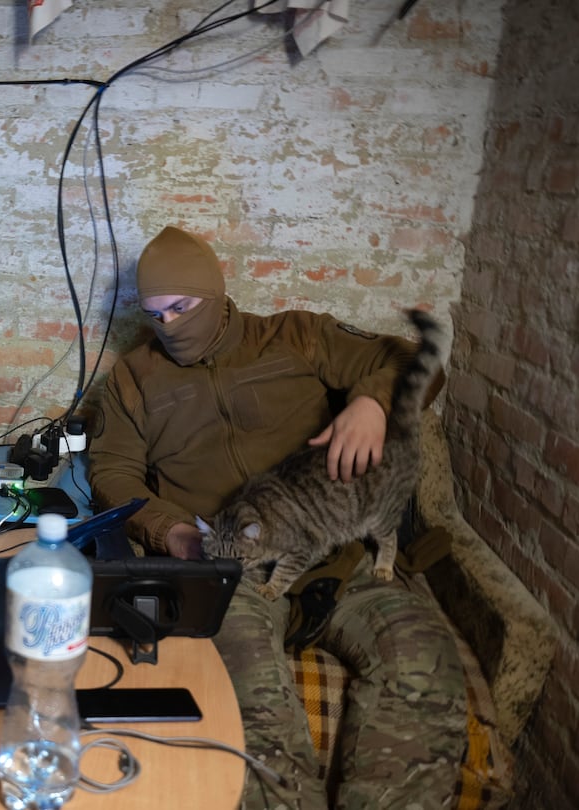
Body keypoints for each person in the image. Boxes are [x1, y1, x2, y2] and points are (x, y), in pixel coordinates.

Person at [88, 225, 467, 808]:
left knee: (421, 660)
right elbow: (113, 474)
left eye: (182, 308)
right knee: (247, 702)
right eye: (153, 314)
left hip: (338, 555)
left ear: (214, 295)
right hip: (226, 568)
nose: (168, 327)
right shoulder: (132, 378)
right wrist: (175, 533)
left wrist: (372, 401)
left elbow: (412, 360)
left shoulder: (296, 335)